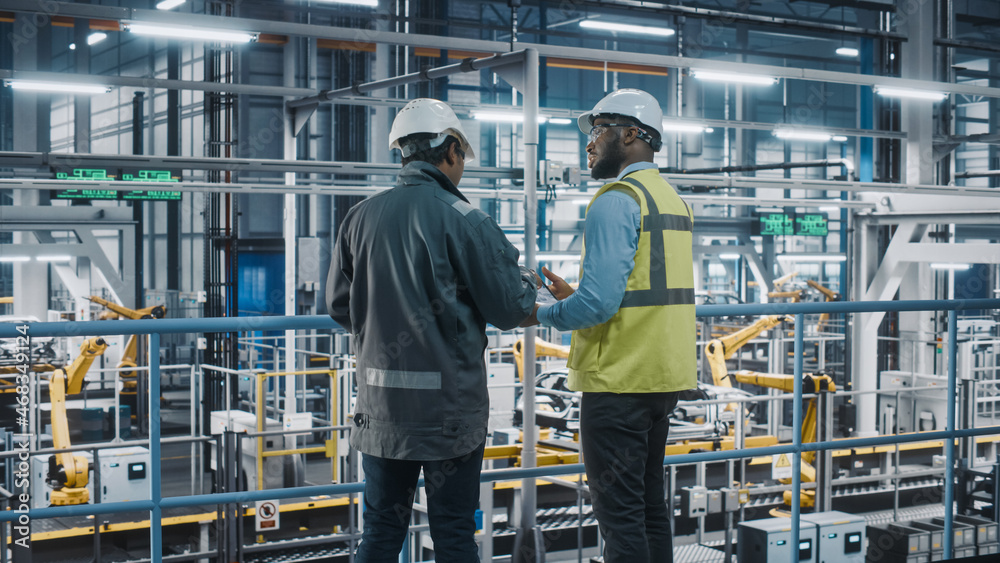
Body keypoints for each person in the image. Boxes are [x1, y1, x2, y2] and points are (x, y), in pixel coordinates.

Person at [326, 98, 537, 563]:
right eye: (461, 154)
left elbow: (340, 307)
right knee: (454, 534)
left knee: (380, 533)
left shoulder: (359, 217)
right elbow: (511, 308)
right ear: (451, 150)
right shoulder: (467, 220)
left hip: (381, 413)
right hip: (450, 416)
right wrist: (528, 281)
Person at [525, 88, 696, 563]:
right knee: (648, 508)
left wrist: (542, 313)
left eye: (599, 131)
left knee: (619, 518)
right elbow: (641, 287)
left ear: (631, 134)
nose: (590, 143)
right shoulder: (672, 200)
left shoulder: (615, 199)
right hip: (662, 379)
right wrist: (573, 296)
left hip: (618, 381)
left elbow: (600, 306)